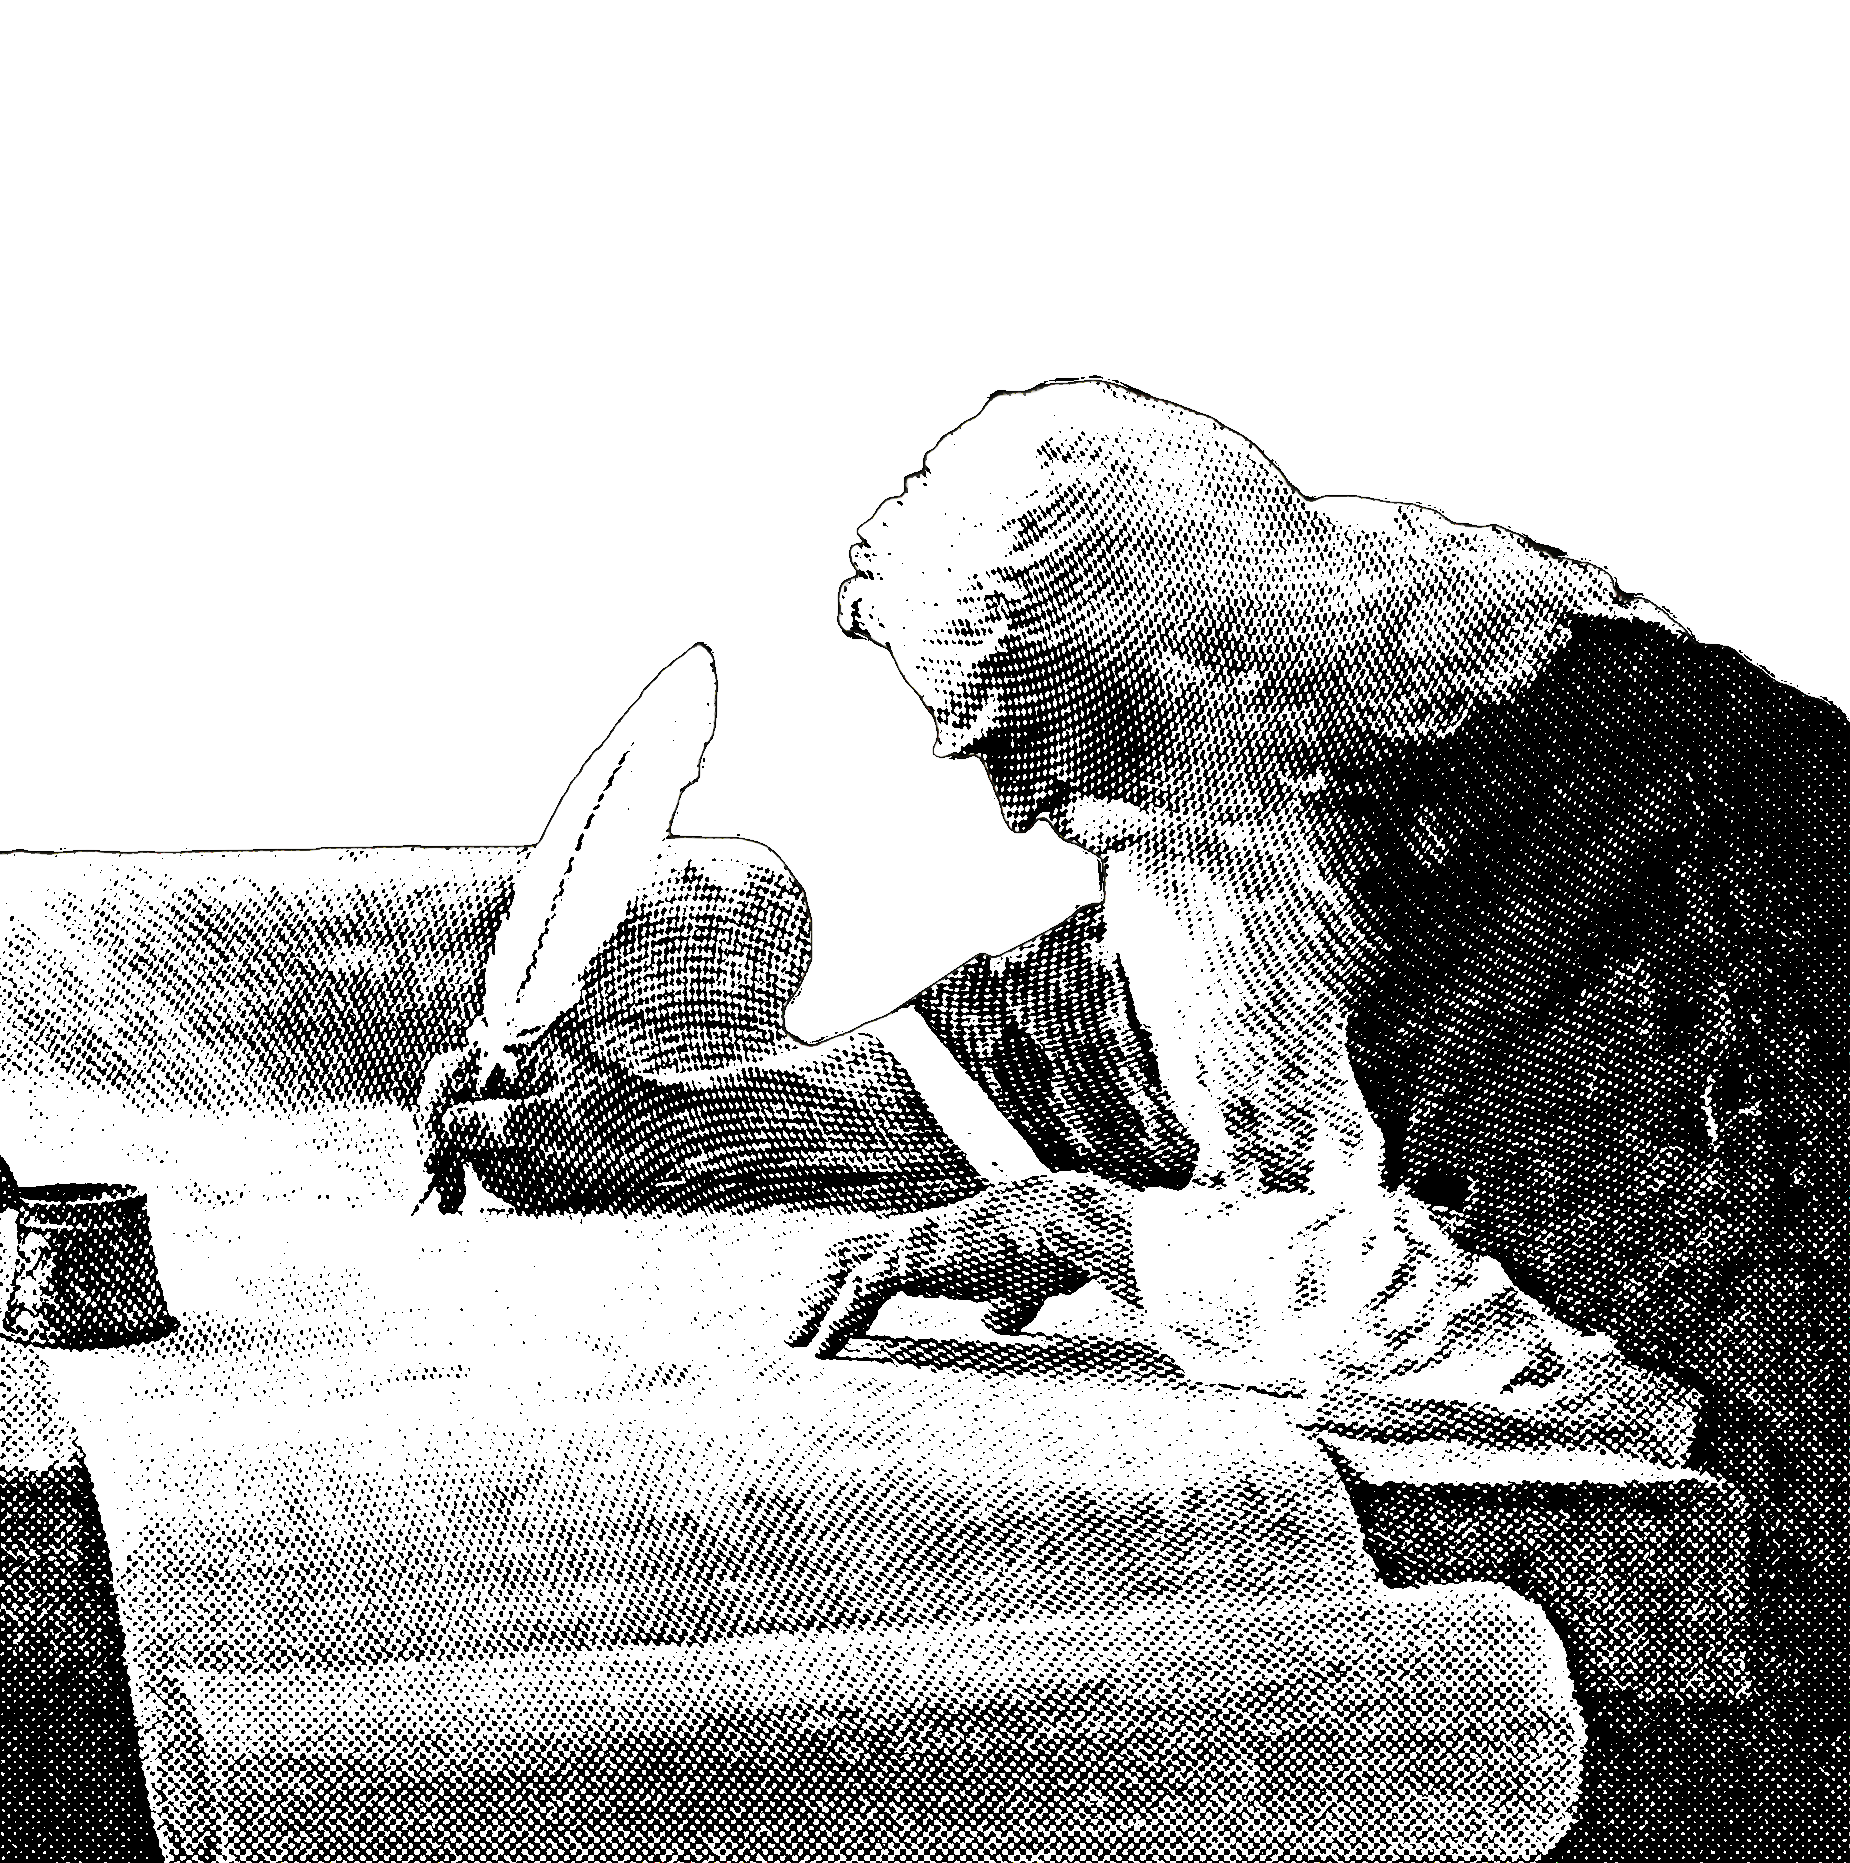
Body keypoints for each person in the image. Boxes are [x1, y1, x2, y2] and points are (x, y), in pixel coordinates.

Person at [419, 379, 1850, 1737]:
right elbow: (1083, 1045)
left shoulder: (1661, 869)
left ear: (1180, 661)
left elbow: (1564, 1350)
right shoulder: (1295, 758)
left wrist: (1099, 1237)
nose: (1014, 805)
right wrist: (686, 1124)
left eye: (1027, 736)